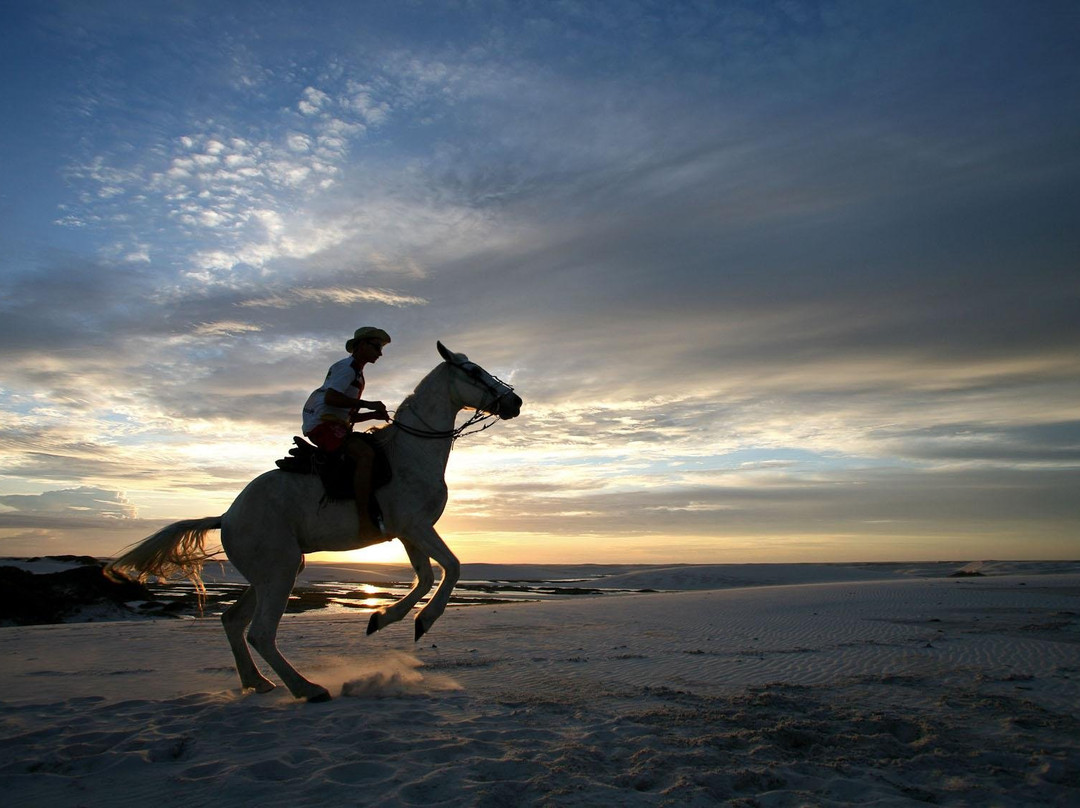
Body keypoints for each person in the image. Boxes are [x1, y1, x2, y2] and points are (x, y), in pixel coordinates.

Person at [302, 326, 392, 541]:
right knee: (365, 454)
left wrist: (371, 416)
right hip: (322, 424)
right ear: (362, 345)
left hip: (334, 423)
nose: (380, 353)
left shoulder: (357, 373)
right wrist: (367, 403)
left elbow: (345, 415)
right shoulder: (348, 368)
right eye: (377, 347)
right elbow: (331, 399)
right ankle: (363, 521)